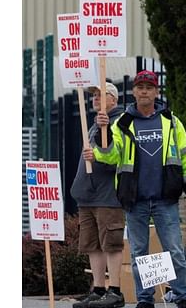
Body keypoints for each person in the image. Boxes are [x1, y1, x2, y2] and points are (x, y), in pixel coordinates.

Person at [84, 70, 186, 308]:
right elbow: (110, 156)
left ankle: (182, 297)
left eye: (149, 87)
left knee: (175, 251)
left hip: (165, 198)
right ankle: (145, 300)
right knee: (139, 254)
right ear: (134, 91)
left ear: (157, 92)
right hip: (134, 199)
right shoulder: (123, 123)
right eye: (140, 87)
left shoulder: (171, 121)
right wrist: (102, 138)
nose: (144, 91)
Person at [70, 82, 126, 308]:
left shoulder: (119, 123)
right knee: (92, 244)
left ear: (114, 99)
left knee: (111, 243)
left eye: (101, 95)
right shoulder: (94, 126)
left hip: (107, 195)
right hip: (88, 196)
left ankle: (115, 290)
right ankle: (99, 288)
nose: (95, 99)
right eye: (93, 95)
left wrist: (106, 137)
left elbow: (116, 154)